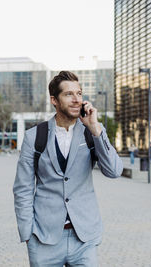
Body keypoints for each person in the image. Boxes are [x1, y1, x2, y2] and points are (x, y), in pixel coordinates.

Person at [13, 71, 123, 267]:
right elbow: (23, 188)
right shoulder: (33, 137)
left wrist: (96, 129)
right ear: (54, 100)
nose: (76, 100)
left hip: (84, 238)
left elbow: (114, 171)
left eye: (79, 93)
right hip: (44, 239)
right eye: (69, 94)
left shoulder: (92, 132)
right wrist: (28, 233)